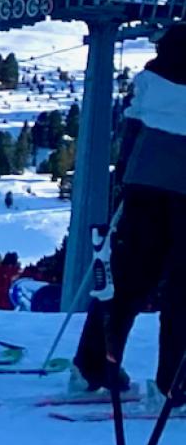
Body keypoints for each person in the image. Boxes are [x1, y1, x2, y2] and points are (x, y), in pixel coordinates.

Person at [73, 24, 186, 399]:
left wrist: (125, 177)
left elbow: (132, 125)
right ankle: (174, 382)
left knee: (129, 274)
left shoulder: (156, 71)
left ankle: (92, 367)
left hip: (145, 178)